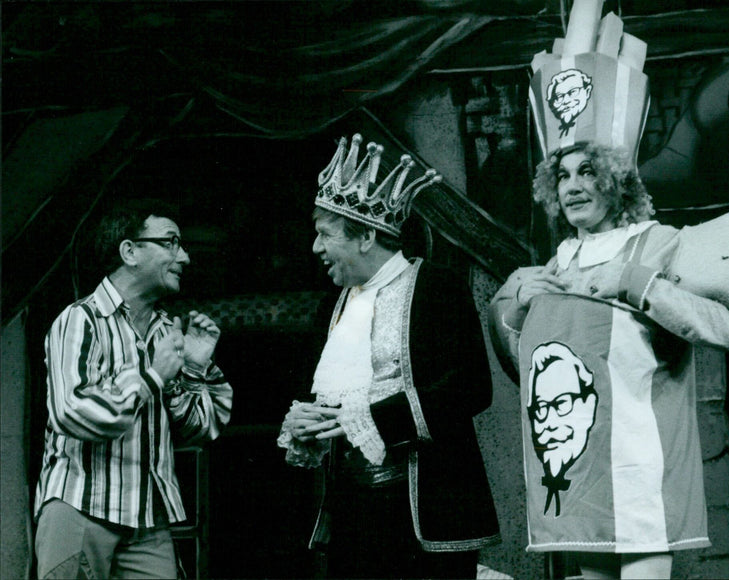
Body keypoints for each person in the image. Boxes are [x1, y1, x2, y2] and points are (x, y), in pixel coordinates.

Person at [489, 142, 729, 579]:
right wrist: (518, 307)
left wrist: (634, 281)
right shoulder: (559, 261)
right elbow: (539, 368)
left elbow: (723, 328)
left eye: (587, 172)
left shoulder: (657, 241)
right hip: (586, 463)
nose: (573, 186)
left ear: (615, 182)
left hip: (640, 453)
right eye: (563, 176)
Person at [278, 134, 501, 579]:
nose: (316, 248)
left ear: (364, 236)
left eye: (325, 234)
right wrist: (305, 425)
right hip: (354, 514)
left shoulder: (436, 287)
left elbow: (470, 387)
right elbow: (321, 397)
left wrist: (367, 418)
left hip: (426, 507)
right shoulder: (333, 305)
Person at [33, 199, 233, 579]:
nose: (185, 257)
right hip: (80, 507)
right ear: (130, 251)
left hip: (147, 519)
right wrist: (152, 376)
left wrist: (195, 366)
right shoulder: (80, 320)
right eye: (171, 242)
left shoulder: (166, 333)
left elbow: (199, 430)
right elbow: (70, 411)